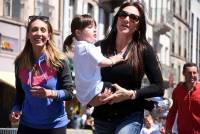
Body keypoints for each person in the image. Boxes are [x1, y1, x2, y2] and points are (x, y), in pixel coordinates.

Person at [88, 2, 164, 134]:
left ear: (138, 25)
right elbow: (86, 80)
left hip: (131, 115)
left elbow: (159, 87)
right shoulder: (99, 47)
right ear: (117, 18)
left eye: (133, 18)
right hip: (102, 116)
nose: (127, 19)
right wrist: (91, 100)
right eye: (123, 15)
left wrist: (131, 94)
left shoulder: (144, 50)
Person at [9, 15, 74, 134]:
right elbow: (20, 93)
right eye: (34, 29)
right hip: (26, 126)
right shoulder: (20, 62)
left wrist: (50, 93)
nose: (39, 33)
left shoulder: (59, 61)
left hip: (54, 126)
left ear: (49, 35)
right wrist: (16, 109)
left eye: (43, 30)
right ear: (28, 35)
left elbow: (69, 93)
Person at [65, 14, 124, 105]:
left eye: (95, 27)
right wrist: (114, 59)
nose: (95, 30)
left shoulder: (77, 48)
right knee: (121, 89)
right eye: (90, 27)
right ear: (78, 33)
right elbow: (102, 62)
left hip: (83, 94)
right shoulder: (88, 47)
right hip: (95, 89)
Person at [165, 62, 200, 134]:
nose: (192, 75)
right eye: (189, 73)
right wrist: (168, 127)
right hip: (182, 131)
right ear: (183, 73)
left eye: (194, 73)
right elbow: (172, 111)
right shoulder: (177, 91)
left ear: (197, 73)